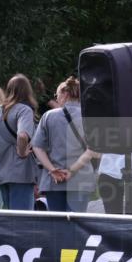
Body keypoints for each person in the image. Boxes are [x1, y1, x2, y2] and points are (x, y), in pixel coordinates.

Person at [32, 77, 97, 213]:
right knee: (77, 223)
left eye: (57, 95)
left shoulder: (48, 116)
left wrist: (52, 170)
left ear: (65, 94)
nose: (56, 99)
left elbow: (37, 147)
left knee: (57, 225)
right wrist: (71, 171)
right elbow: (93, 150)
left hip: (54, 180)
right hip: (81, 179)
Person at [0, 74, 38, 211]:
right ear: (27, 90)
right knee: (22, 218)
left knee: (10, 215)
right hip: (21, 172)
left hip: (1, 170)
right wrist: (22, 152)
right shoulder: (24, 110)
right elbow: (22, 135)